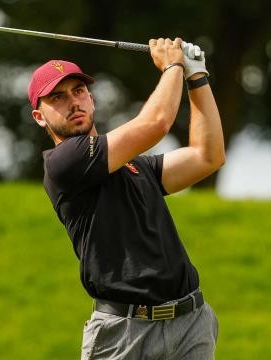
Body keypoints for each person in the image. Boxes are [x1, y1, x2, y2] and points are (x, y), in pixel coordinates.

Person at [27, 37, 225, 359]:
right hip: (124, 334)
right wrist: (173, 64)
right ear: (39, 117)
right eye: (58, 98)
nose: (73, 102)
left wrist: (197, 76)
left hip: (190, 323)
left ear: (91, 99)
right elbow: (156, 123)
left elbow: (207, 156)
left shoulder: (135, 167)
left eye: (78, 92)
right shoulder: (63, 163)